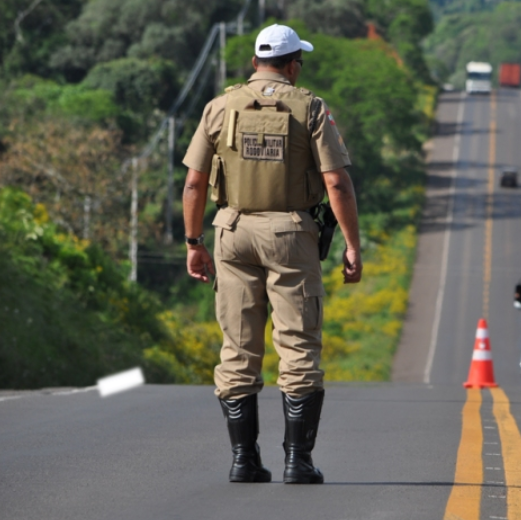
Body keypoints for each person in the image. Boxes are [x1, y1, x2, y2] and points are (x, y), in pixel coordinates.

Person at [181, 24, 362, 485]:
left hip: (232, 231)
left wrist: (193, 243)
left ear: (256, 61)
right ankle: (297, 462)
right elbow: (337, 182)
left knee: (238, 349)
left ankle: (244, 460)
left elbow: (195, 183)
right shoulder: (311, 109)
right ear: (293, 64)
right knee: (298, 346)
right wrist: (352, 245)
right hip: (289, 234)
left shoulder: (220, 107)